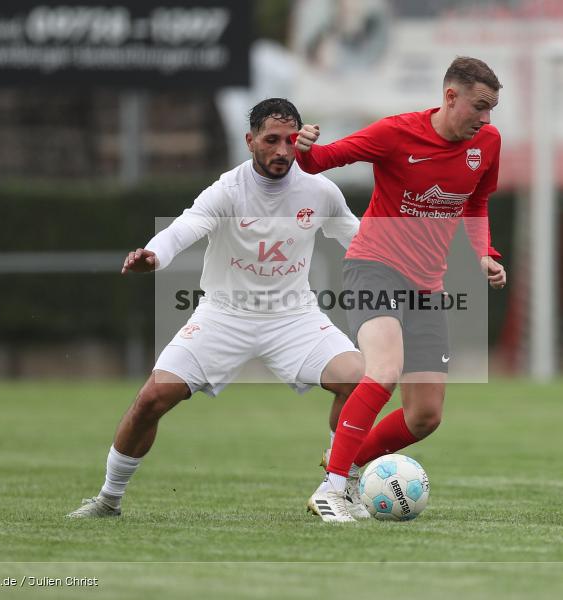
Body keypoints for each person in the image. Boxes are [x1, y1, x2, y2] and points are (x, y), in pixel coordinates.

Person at [67, 98, 367, 522]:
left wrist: (407, 269)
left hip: (294, 316)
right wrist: (154, 255)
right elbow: (185, 227)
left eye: (289, 140)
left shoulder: (320, 191)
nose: (282, 150)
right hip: (224, 315)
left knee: (359, 380)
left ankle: (336, 488)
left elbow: (360, 241)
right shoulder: (228, 190)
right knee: (152, 398)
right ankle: (107, 500)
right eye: (271, 140)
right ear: (250, 141)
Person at [295, 57, 508, 522]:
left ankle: (345, 463)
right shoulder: (396, 133)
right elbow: (321, 161)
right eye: (480, 105)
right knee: (384, 370)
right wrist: (305, 148)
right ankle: (331, 490)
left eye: (492, 107)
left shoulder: (487, 143)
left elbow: (476, 201)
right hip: (374, 268)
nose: (486, 117)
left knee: (425, 415)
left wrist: (485, 253)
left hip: (427, 286)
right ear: (450, 96)